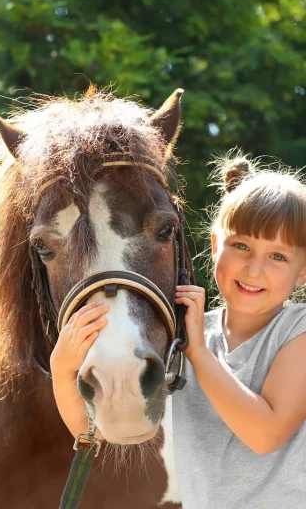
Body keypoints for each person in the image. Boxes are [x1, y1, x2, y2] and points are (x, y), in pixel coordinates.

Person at [50, 155, 306, 509]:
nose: (254, 268)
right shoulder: (187, 334)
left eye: (278, 257)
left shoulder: (297, 330)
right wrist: (63, 370)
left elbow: (266, 435)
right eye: (241, 246)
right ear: (216, 246)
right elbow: (97, 429)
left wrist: (198, 353)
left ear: (303, 271)